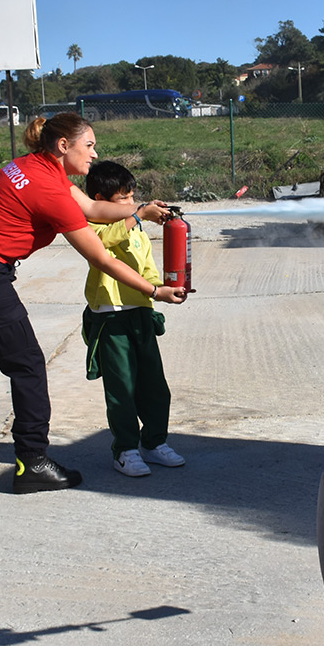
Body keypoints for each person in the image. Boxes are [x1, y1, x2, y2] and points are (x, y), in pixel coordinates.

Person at [0, 113, 187, 494]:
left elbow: (91, 208)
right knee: (28, 365)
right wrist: (155, 292)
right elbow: (102, 257)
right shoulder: (49, 189)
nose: (95, 153)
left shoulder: (33, 168)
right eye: (89, 145)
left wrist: (141, 211)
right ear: (63, 146)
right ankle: (32, 460)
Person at [79, 160, 185, 478]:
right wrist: (137, 214)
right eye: (122, 199)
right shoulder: (89, 223)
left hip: (140, 312)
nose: (129, 204)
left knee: (154, 386)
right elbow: (103, 241)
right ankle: (125, 450)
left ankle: (153, 443)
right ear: (98, 200)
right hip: (110, 317)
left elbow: (146, 263)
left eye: (131, 197)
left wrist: (163, 290)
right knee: (121, 388)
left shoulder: (134, 226)